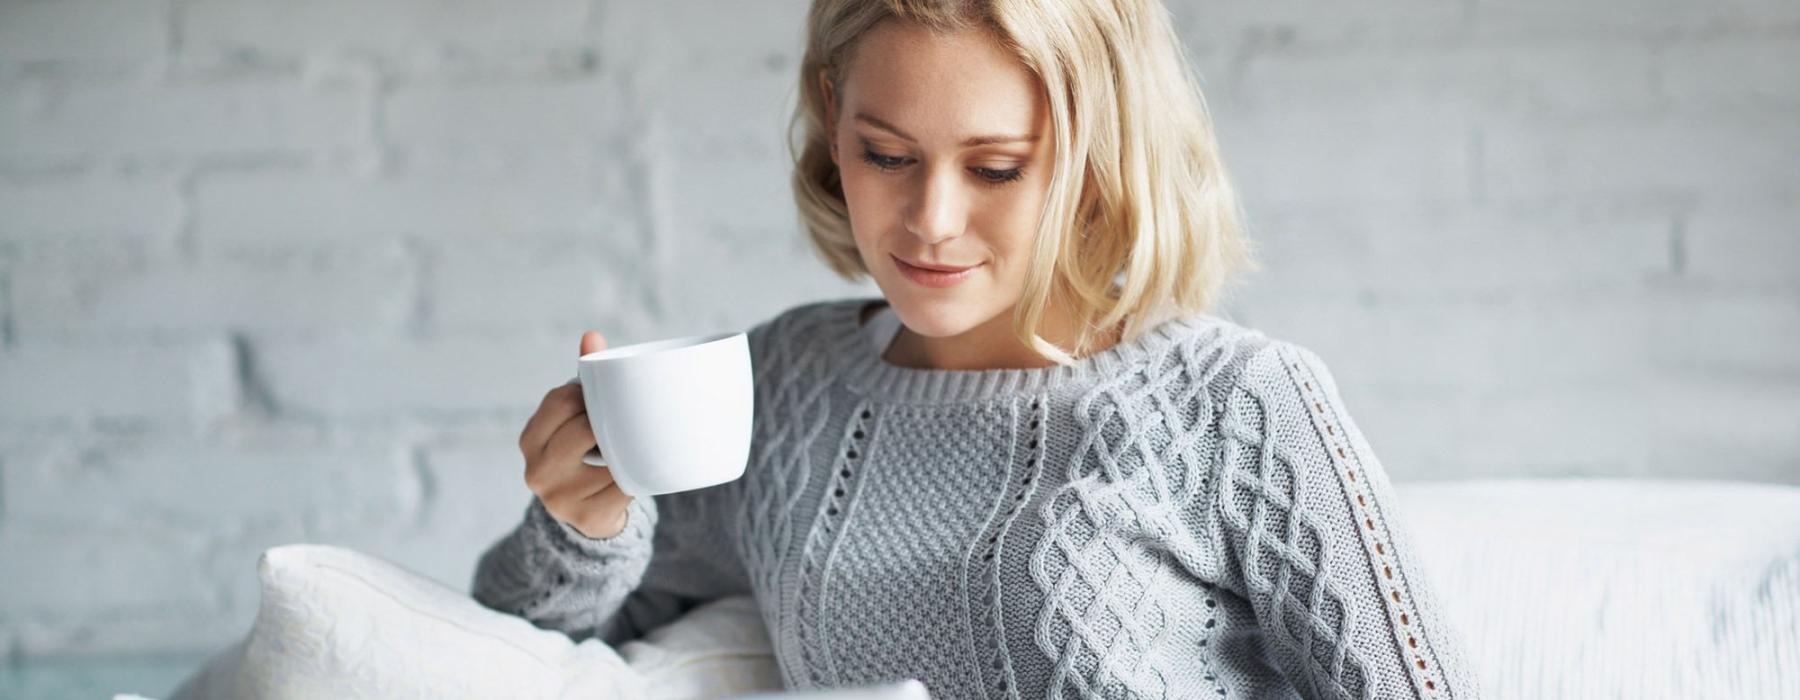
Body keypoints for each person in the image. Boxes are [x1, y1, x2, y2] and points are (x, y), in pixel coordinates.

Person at [473, 1, 1482, 698]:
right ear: (834, 119)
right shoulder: (782, 389)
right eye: (887, 155)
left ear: (1098, 156)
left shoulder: (1237, 405)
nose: (930, 220)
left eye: (996, 167)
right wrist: (583, 521)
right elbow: (520, 647)